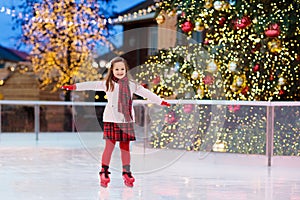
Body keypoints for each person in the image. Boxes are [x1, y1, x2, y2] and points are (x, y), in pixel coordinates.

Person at [61, 56, 170, 187]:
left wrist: (159, 101)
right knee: (109, 147)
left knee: (125, 148)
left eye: (122, 69)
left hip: (126, 120)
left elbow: (146, 93)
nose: (119, 71)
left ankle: (126, 172)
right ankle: (104, 171)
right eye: (117, 69)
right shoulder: (107, 84)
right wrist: (74, 87)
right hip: (111, 119)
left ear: (126, 70)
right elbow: (90, 84)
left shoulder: (132, 85)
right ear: (112, 70)